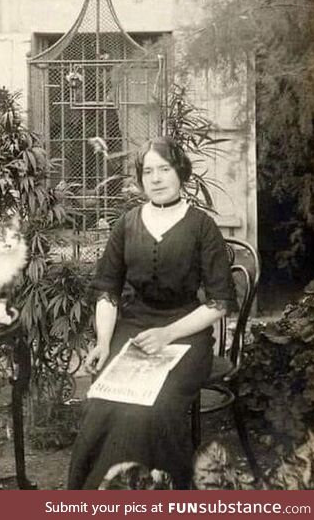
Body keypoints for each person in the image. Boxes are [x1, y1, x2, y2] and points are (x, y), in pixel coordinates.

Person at [68, 137, 237, 490]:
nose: (156, 178)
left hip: (186, 335)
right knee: (103, 401)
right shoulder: (127, 223)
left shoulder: (201, 226)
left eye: (164, 169)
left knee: (152, 408)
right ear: (141, 178)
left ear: (180, 173)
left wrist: (168, 334)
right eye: (148, 171)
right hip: (134, 328)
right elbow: (107, 290)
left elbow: (219, 302)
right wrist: (102, 342)